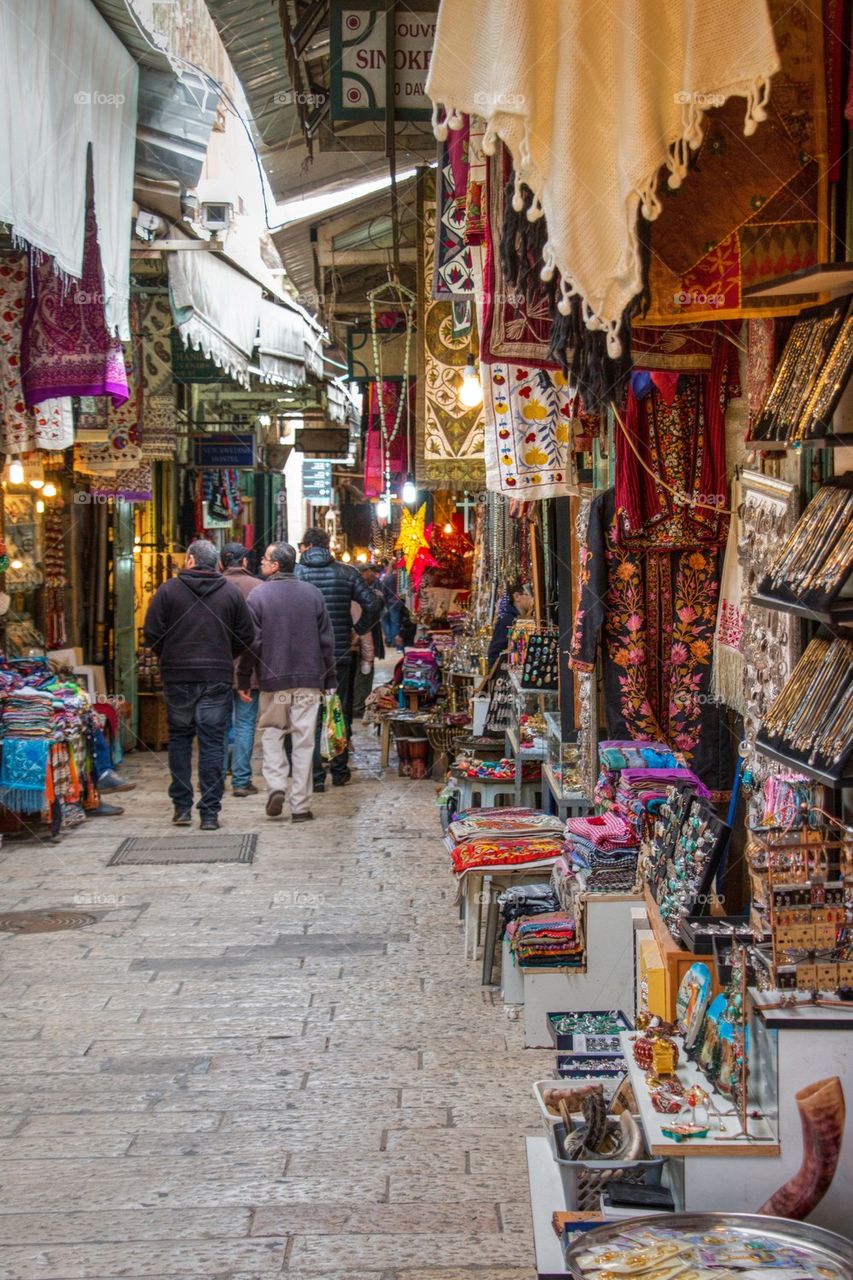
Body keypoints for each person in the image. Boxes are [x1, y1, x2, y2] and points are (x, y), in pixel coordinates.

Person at [143, 539, 254, 830]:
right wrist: (224, 656)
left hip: (177, 676)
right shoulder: (229, 593)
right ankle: (209, 813)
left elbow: (152, 632)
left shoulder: (168, 591)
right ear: (216, 563)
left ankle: (181, 807)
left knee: (180, 740)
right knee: (212, 742)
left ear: (190, 560)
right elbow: (246, 634)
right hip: (216, 676)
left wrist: (170, 655)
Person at [243, 542, 336, 823]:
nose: (261, 562)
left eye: (265, 559)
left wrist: (243, 678)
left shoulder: (258, 596)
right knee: (304, 740)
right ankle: (300, 806)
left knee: (272, 734)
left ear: (276, 566)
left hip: (273, 682)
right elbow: (326, 641)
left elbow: (251, 643)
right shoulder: (313, 595)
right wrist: (330, 678)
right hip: (308, 680)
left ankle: (276, 786)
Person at [294, 528, 381, 790]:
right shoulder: (346, 573)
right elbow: (373, 604)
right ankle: (340, 769)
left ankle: (316, 777)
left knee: (310, 713)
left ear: (307, 546)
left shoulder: (297, 574)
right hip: (339, 650)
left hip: (306, 653)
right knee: (338, 710)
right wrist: (359, 629)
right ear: (328, 545)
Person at [220, 541, 261, 796]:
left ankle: (214, 777)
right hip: (250, 668)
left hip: (218, 667)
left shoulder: (212, 587)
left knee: (218, 724)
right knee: (245, 724)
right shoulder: (259, 588)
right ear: (245, 562)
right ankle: (241, 780)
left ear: (221, 563)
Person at [487, 578, 534, 668]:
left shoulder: (524, 618)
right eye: (529, 594)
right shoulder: (506, 621)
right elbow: (493, 656)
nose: (533, 599)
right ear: (516, 597)